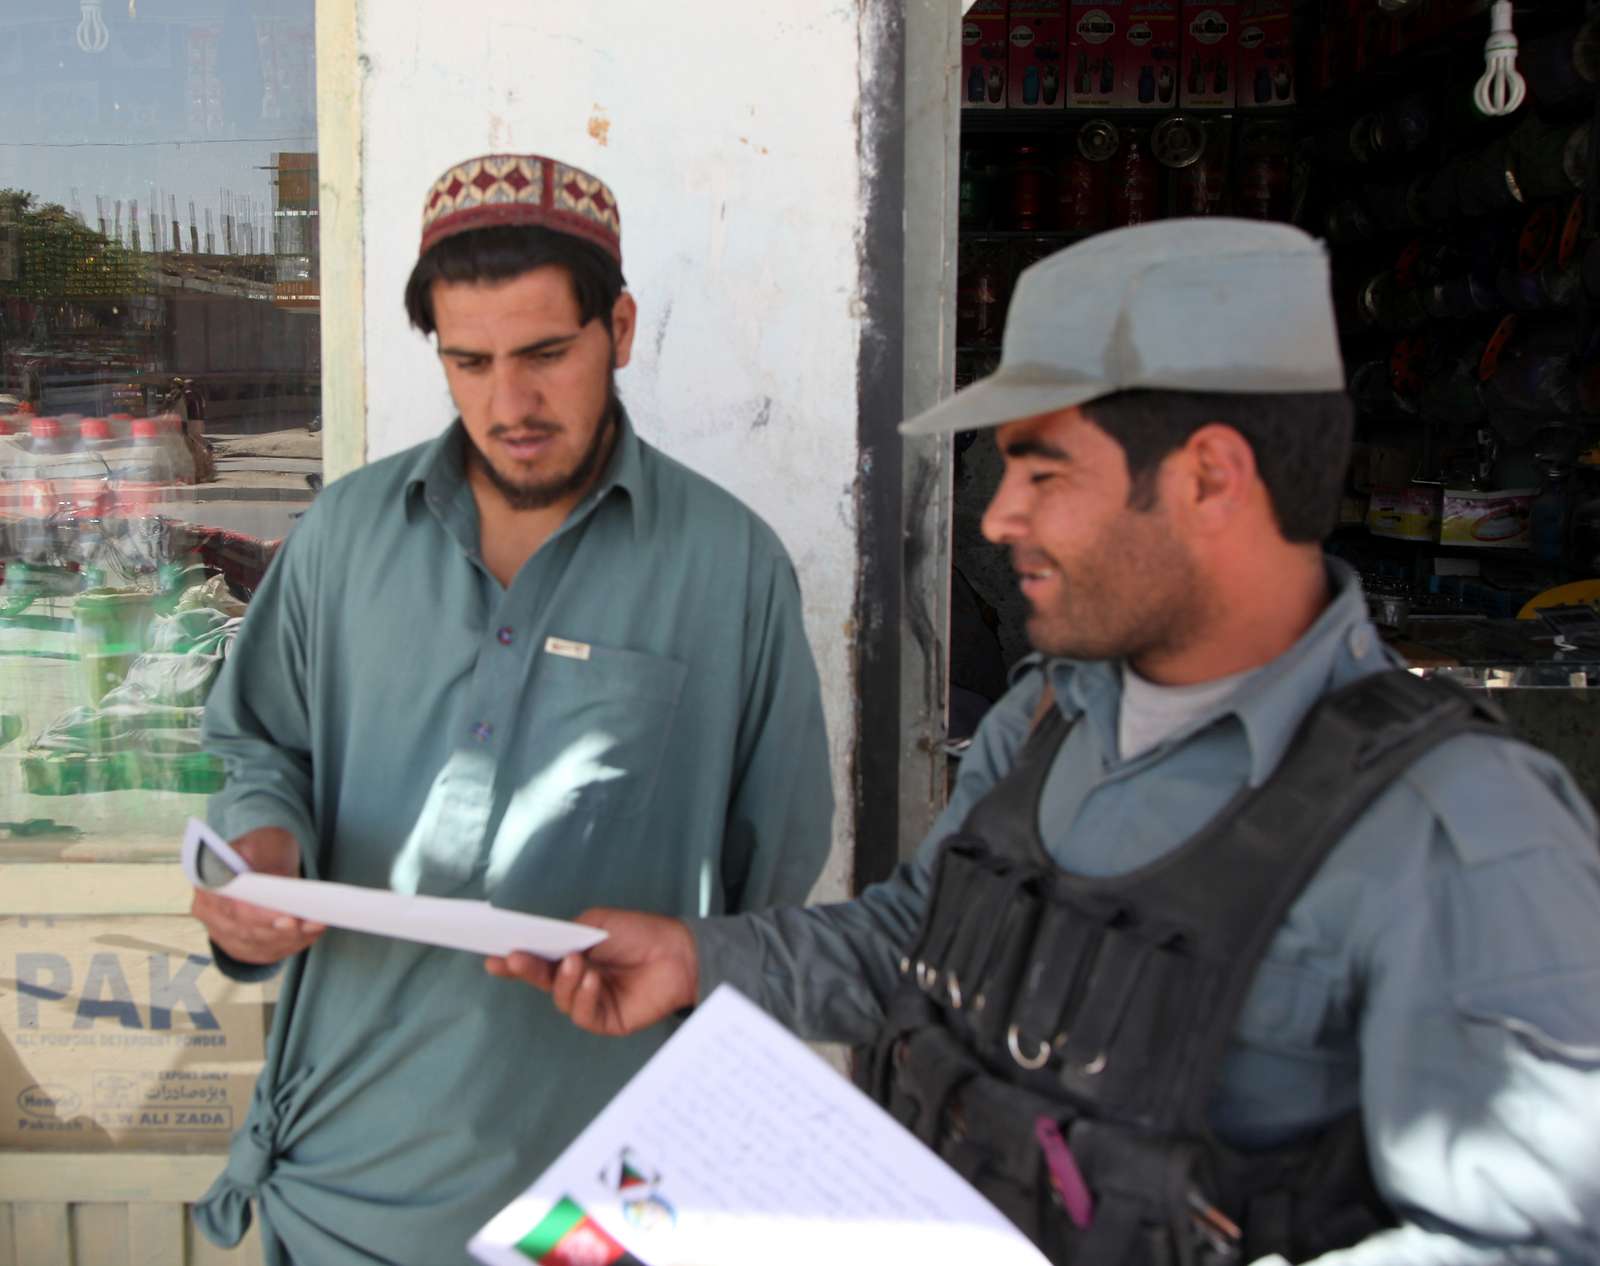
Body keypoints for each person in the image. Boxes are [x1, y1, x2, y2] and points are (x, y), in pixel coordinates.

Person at [502, 221, 1600, 1265]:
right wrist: (698, 960)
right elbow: (918, 945)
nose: (997, 519)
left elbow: (1530, 1240)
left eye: (1044, 472)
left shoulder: (1461, 829)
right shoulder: (1048, 719)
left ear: (1208, 477)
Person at [188, 152, 833, 1265]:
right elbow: (261, 744)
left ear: (618, 331)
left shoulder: (732, 570)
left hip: (605, 1205)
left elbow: (766, 879)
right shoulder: (343, 539)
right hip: (341, 1186)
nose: (509, 404)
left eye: (545, 355)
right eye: (468, 361)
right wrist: (260, 851)